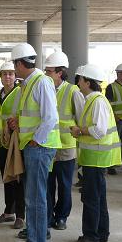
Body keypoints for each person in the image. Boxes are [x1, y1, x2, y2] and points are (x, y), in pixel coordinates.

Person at [8, 43, 60, 242]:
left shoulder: (41, 82)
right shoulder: (30, 83)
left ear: (20, 63)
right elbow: (36, 115)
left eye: (14, 65)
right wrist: (18, 122)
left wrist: (36, 140)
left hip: (39, 147)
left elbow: (51, 117)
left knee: (35, 197)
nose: (14, 69)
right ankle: (34, 236)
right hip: (34, 147)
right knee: (34, 196)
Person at [70, 64, 121, 242]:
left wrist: (78, 130)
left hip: (96, 158)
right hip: (94, 157)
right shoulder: (92, 100)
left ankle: (90, 235)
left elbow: (99, 131)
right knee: (98, 196)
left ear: (87, 82)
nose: (78, 82)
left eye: (80, 79)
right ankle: (101, 232)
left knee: (91, 197)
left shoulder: (97, 101)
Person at [44, 51, 84, 231]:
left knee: (65, 185)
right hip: (48, 145)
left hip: (66, 146)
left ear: (60, 72)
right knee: (48, 184)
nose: (46, 74)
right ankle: (48, 216)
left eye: (49, 71)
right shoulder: (45, 88)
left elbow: (81, 118)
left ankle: (62, 217)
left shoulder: (72, 90)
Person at [0, 61, 25, 230]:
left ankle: (20, 215)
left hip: (14, 141)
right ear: (0, 76)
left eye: (11, 74)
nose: (8, 77)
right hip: (0, 141)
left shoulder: (20, 92)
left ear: (15, 76)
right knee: (7, 178)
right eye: (4, 74)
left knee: (17, 177)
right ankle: (8, 211)